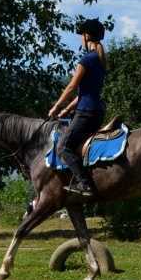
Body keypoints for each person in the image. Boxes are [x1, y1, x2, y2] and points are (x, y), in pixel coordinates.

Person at [47, 17, 109, 200]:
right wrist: (66, 110)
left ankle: (85, 183)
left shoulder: (87, 60)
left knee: (63, 147)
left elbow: (71, 87)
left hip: (86, 113)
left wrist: (56, 107)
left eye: (81, 35)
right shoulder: (100, 60)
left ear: (87, 36)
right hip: (96, 111)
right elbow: (85, 93)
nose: (80, 38)